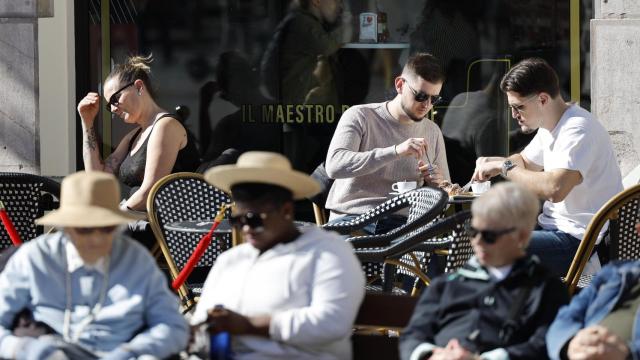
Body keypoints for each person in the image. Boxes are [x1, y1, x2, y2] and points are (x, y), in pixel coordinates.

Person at [191, 151, 365, 359]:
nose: (245, 229)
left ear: (286, 211)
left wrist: (249, 325)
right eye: (237, 221)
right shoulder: (231, 260)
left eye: (253, 219)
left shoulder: (328, 252)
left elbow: (332, 323)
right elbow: (202, 322)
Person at [0, 171, 188, 359]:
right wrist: (26, 349)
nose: (96, 239)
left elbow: (173, 325)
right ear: (65, 228)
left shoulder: (137, 259)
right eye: (85, 229)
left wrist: (136, 351)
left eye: (107, 228)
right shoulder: (35, 257)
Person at [472, 58, 623, 277]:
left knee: (493, 248)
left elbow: (555, 189)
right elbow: (523, 162)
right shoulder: (550, 126)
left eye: (518, 107)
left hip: (579, 241)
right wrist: (497, 163)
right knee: (480, 240)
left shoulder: (578, 129)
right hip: (553, 230)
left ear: (542, 99)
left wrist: (503, 167)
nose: (514, 115)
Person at [400, 182, 569, 360]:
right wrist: (430, 355)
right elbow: (414, 334)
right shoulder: (447, 284)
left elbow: (545, 344)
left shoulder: (544, 288)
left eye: (489, 236)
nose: (477, 242)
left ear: (522, 236)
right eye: (473, 231)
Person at [325, 52, 450, 234]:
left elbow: (445, 197)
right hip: (354, 218)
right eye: (421, 96)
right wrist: (396, 151)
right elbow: (335, 166)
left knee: (444, 249)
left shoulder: (432, 131)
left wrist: (436, 183)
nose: (427, 105)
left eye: (434, 99)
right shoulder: (361, 116)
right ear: (400, 85)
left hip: (403, 224)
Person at [77, 54, 200, 212]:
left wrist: (113, 218)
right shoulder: (133, 136)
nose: (113, 109)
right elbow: (97, 178)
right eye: (109, 106)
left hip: (161, 229)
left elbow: (150, 192)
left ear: (139, 87)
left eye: (116, 98)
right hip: (138, 221)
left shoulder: (165, 126)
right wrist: (87, 122)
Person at [261, 0, 344, 172]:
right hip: (298, 103)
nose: (339, 5)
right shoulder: (302, 23)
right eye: (334, 0)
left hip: (297, 101)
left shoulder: (299, 20)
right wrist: (351, 23)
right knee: (337, 136)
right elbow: (329, 46)